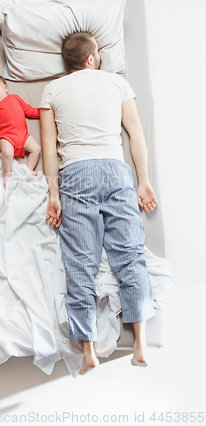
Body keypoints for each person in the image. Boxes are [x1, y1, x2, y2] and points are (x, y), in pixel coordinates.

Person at [39, 32, 158, 375]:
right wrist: (143, 180)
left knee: (81, 261)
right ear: (91, 58)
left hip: (75, 173)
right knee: (129, 255)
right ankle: (140, 343)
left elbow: (49, 147)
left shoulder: (52, 89)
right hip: (114, 170)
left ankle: (88, 349)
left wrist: (53, 193)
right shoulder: (116, 82)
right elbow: (135, 133)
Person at [0, 74, 41, 186]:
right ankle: (7, 174)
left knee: (36, 149)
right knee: (7, 153)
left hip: (23, 135)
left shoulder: (15, 98)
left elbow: (29, 110)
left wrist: (42, 113)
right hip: (6, 136)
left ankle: (29, 168)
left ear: (5, 88)